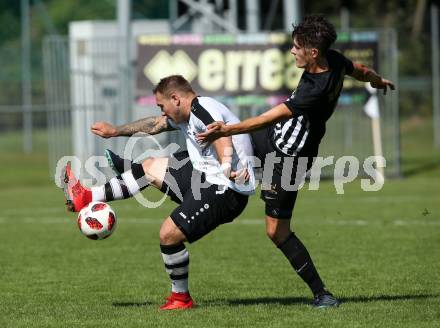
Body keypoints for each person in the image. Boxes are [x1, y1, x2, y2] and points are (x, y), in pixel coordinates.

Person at [197, 15, 395, 308]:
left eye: (296, 47)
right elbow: (361, 70)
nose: (292, 51)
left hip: (288, 158)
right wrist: (378, 80)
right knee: (219, 150)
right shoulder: (336, 59)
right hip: (272, 138)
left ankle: (322, 294)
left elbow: (266, 117)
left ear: (312, 53)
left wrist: (227, 130)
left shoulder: (313, 91)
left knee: (276, 231)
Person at [62, 75, 256, 310]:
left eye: (162, 106)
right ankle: (88, 197)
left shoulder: (203, 109)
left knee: (168, 234)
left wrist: (226, 165)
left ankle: (181, 298)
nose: (162, 112)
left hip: (227, 191)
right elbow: (155, 124)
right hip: (206, 178)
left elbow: (221, 135)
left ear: (175, 99)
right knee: (149, 168)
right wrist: (115, 131)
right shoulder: (187, 113)